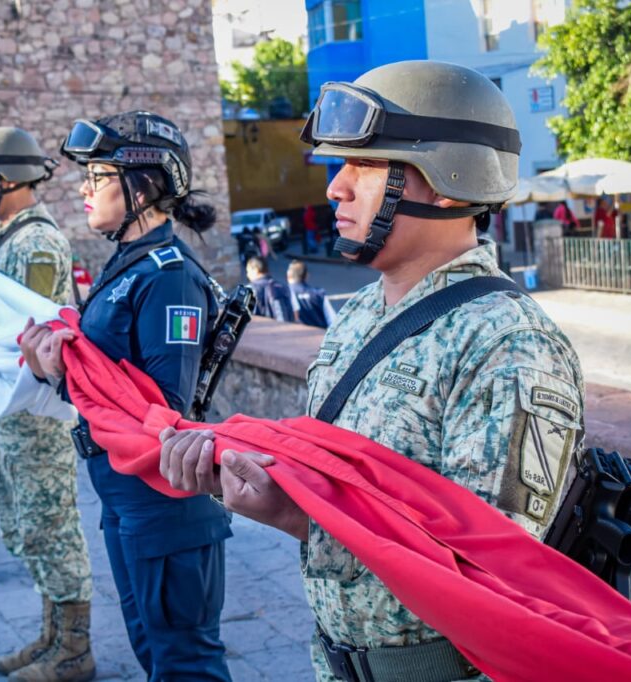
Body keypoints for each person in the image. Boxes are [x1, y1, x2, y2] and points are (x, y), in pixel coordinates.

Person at [159, 61, 585, 682]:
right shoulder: (359, 313)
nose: (337, 187)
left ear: (448, 182)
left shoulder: (509, 342)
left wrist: (294, 516)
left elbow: (492, 561)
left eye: (365, 166)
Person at [21, 111, 233, 681]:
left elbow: (163, 405)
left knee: (185, 662)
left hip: (163, 500)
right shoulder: (129, 264)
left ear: (143, 185)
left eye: (98, 176)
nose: (84, 190)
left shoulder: (168, 275)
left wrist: (60, 374)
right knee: (152, 651)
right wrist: (51, 367)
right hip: (123, 489)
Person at [0, 126, 94, 680]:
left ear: (10, 178)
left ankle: (74, 650)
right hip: (12, 413)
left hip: (36, 416)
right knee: (26, 526)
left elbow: (33, 329)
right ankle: (51, 635)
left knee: (50, 525)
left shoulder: (36, 244)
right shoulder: (7, 235)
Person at [246, 256, 295, 322]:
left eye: (248, 271)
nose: (247, 275)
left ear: (255, 270)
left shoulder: (249, 289)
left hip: (262, 327)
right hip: (284, 326)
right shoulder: (282, 286)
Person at [286, 259, 328, 328]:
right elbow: (332, 319)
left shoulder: (284, 293)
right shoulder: (318, 293)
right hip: (319, 332)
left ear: (288, 275)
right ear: (306, 276)